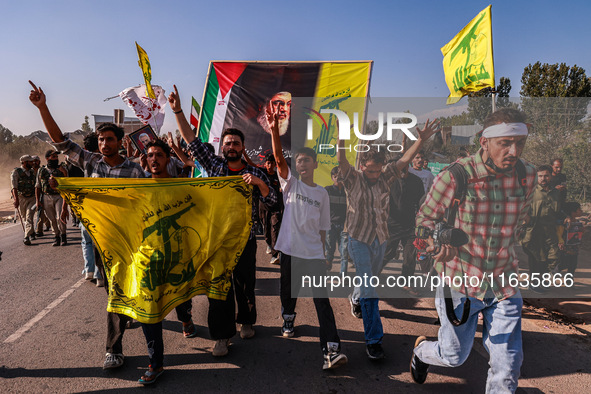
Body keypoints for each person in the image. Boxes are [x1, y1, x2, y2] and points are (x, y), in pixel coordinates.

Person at [410, 108, 537, 393]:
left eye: (520, 142)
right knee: (454, 356)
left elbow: (519, 222)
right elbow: (423, 222)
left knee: (508, 365)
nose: (514, 150)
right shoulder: (455, 175)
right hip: (459, 283)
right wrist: (433, 244)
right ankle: (422, 352)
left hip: (503, 283)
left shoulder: (527, 176)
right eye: (505, 142)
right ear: (484, 142)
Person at [29, 80, 146, 370]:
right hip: (100, 239)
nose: (105, 143)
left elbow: (148, 201)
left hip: (128, 239)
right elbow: (61, 142)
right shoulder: (92, 163)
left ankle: (113, 349)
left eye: (110, 139)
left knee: (119, 293)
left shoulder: (134, 170)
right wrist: (43, 107)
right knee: (112, 289)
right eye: (101, 139)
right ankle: (124, 315)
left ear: (120, 142)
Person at [169, 84, 277, 356]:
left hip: (246, 240)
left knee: (244, 284)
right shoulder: (214, 166)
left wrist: (260, 186)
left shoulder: (255, 172)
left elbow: (273, 202)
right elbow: (192, 140)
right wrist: (178, 111)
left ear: (243, 148)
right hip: (215, 240)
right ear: (223, 146)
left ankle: (247, 321)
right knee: (219, 288)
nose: (231, 146)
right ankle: (221, 336)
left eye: (236, 143)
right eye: (227, 143)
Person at [338, 119, 440, 360]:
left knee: (367, 282)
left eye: (377, 170)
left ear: (382, 167)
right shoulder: (352, 179)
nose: (373, 175)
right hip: (358, 240)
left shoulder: (385, 178)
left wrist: (421, 140)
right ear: (362, 166)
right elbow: (341, 160)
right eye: (369, 170)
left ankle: (355, 297)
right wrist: (342, 138)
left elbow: (404, 160)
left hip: (381, 240)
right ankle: (374, 340)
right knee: (370, 288)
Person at [270, 115, 347, 370]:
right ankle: (288, 318)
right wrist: (274, 132)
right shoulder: (290, 185)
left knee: (321, 301)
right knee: (288, 292)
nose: (301, 163)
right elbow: (279, 159)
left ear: (315, 164)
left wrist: (325, 254)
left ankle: (331, 350)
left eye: (306, 160)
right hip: (291, 252)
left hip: (314, 254)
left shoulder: (322, 193)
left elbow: (323, 228)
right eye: (298, 160)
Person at [137, 139, 198, 384]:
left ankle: (185, 318)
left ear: (168, 159)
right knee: (149, 310)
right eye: (150, 155)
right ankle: (156, 363)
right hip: (148, 259)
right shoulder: (137, 188)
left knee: (180, 298)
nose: (154, 159)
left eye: (159, 155)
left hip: (177, 257)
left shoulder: (180, 186)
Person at [380, 156, 424, 282]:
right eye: (400, 168)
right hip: (391, 225)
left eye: (405, 167)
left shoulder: (416, 181)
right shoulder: (388, 181)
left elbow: (421, 204)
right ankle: (371, 278)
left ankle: (407, 283)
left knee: (410, 256)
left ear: (408, 166)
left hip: (410, 225)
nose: (403, 170)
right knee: (387, 253)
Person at [520, 164, 562, 293]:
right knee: (536, 257)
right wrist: (525, 217)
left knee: (550, 257)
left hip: (550, 231)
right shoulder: (530, 191)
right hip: (534, 230)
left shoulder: (556, 193)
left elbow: (559, 211)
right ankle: (534, 283)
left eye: (546, 176)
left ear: (551, 176)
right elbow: (520, 206)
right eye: (541, 176)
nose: (543, 178)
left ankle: (542, 281)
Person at [36, 150, 68, 246]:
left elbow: (67, 182)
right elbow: (37, 186)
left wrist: (64, 172)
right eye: (53, 157)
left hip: (59, 195)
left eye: (56, 157)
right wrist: (38, 201)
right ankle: (56, 236)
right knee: (52, 219)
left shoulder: (62, 168)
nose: (56, 158)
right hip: (46, 196)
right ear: (47, 159)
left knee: (59, 217)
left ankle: (63, 236)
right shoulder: (41, 170)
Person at [258, 153, 283, 265]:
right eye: (268, 162)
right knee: (266, 230)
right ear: (265, 164)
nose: (270, 164)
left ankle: (274, 255)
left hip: (276, 208)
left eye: (272, 163)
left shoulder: (279, 176)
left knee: (275, 230)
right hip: (263, 207)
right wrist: (244, 153)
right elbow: (251, 165)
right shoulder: (262, 174)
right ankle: (268, 244)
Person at [324, 167, 349, 274]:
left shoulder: (348, 192)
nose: (338, 178)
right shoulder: (327, 190)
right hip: (330, 224)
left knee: (344, 251)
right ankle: (328, 263)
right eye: (335, 176)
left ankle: (343, 274)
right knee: (329, 248)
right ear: (332, 177)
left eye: (340, 177)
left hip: (344, 225)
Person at [11, 155, 37, 245]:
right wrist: (16, 200)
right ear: (25, 162)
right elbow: (14, 187)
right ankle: (32, 232)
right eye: (30, 161)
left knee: (29, 215)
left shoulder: (33, 172)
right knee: (25, 217)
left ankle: (26, 237)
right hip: (22, 198)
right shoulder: (16, 172)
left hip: (33, 198)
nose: (32, 163)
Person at [556, 201, 584, 277]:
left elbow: (580, 234)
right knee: (564, 263)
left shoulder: (579, 223)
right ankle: (557, 270)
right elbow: (559, 233)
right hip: (565, 248)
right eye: (579, 209)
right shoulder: (564, 223)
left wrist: (582, 230)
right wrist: (560, 242)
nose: (581, 211)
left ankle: (569, 281)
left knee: (573, 265)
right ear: (573, 212)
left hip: (575, 248)